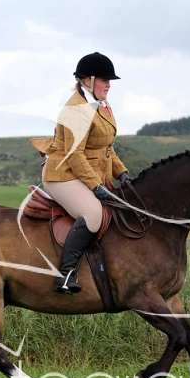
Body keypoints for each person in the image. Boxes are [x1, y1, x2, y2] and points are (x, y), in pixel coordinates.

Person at [42, 52, 131, 294]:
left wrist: (121, 172)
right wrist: (95, 186)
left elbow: (106, 147)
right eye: (104, 80)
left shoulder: (101, 103)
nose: (108, 85)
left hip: (88, 172)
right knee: (93, 214)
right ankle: (66, 274)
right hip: (63, 174)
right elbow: (75, 155)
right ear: (88, 80)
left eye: (109, 81)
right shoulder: (76, 110)